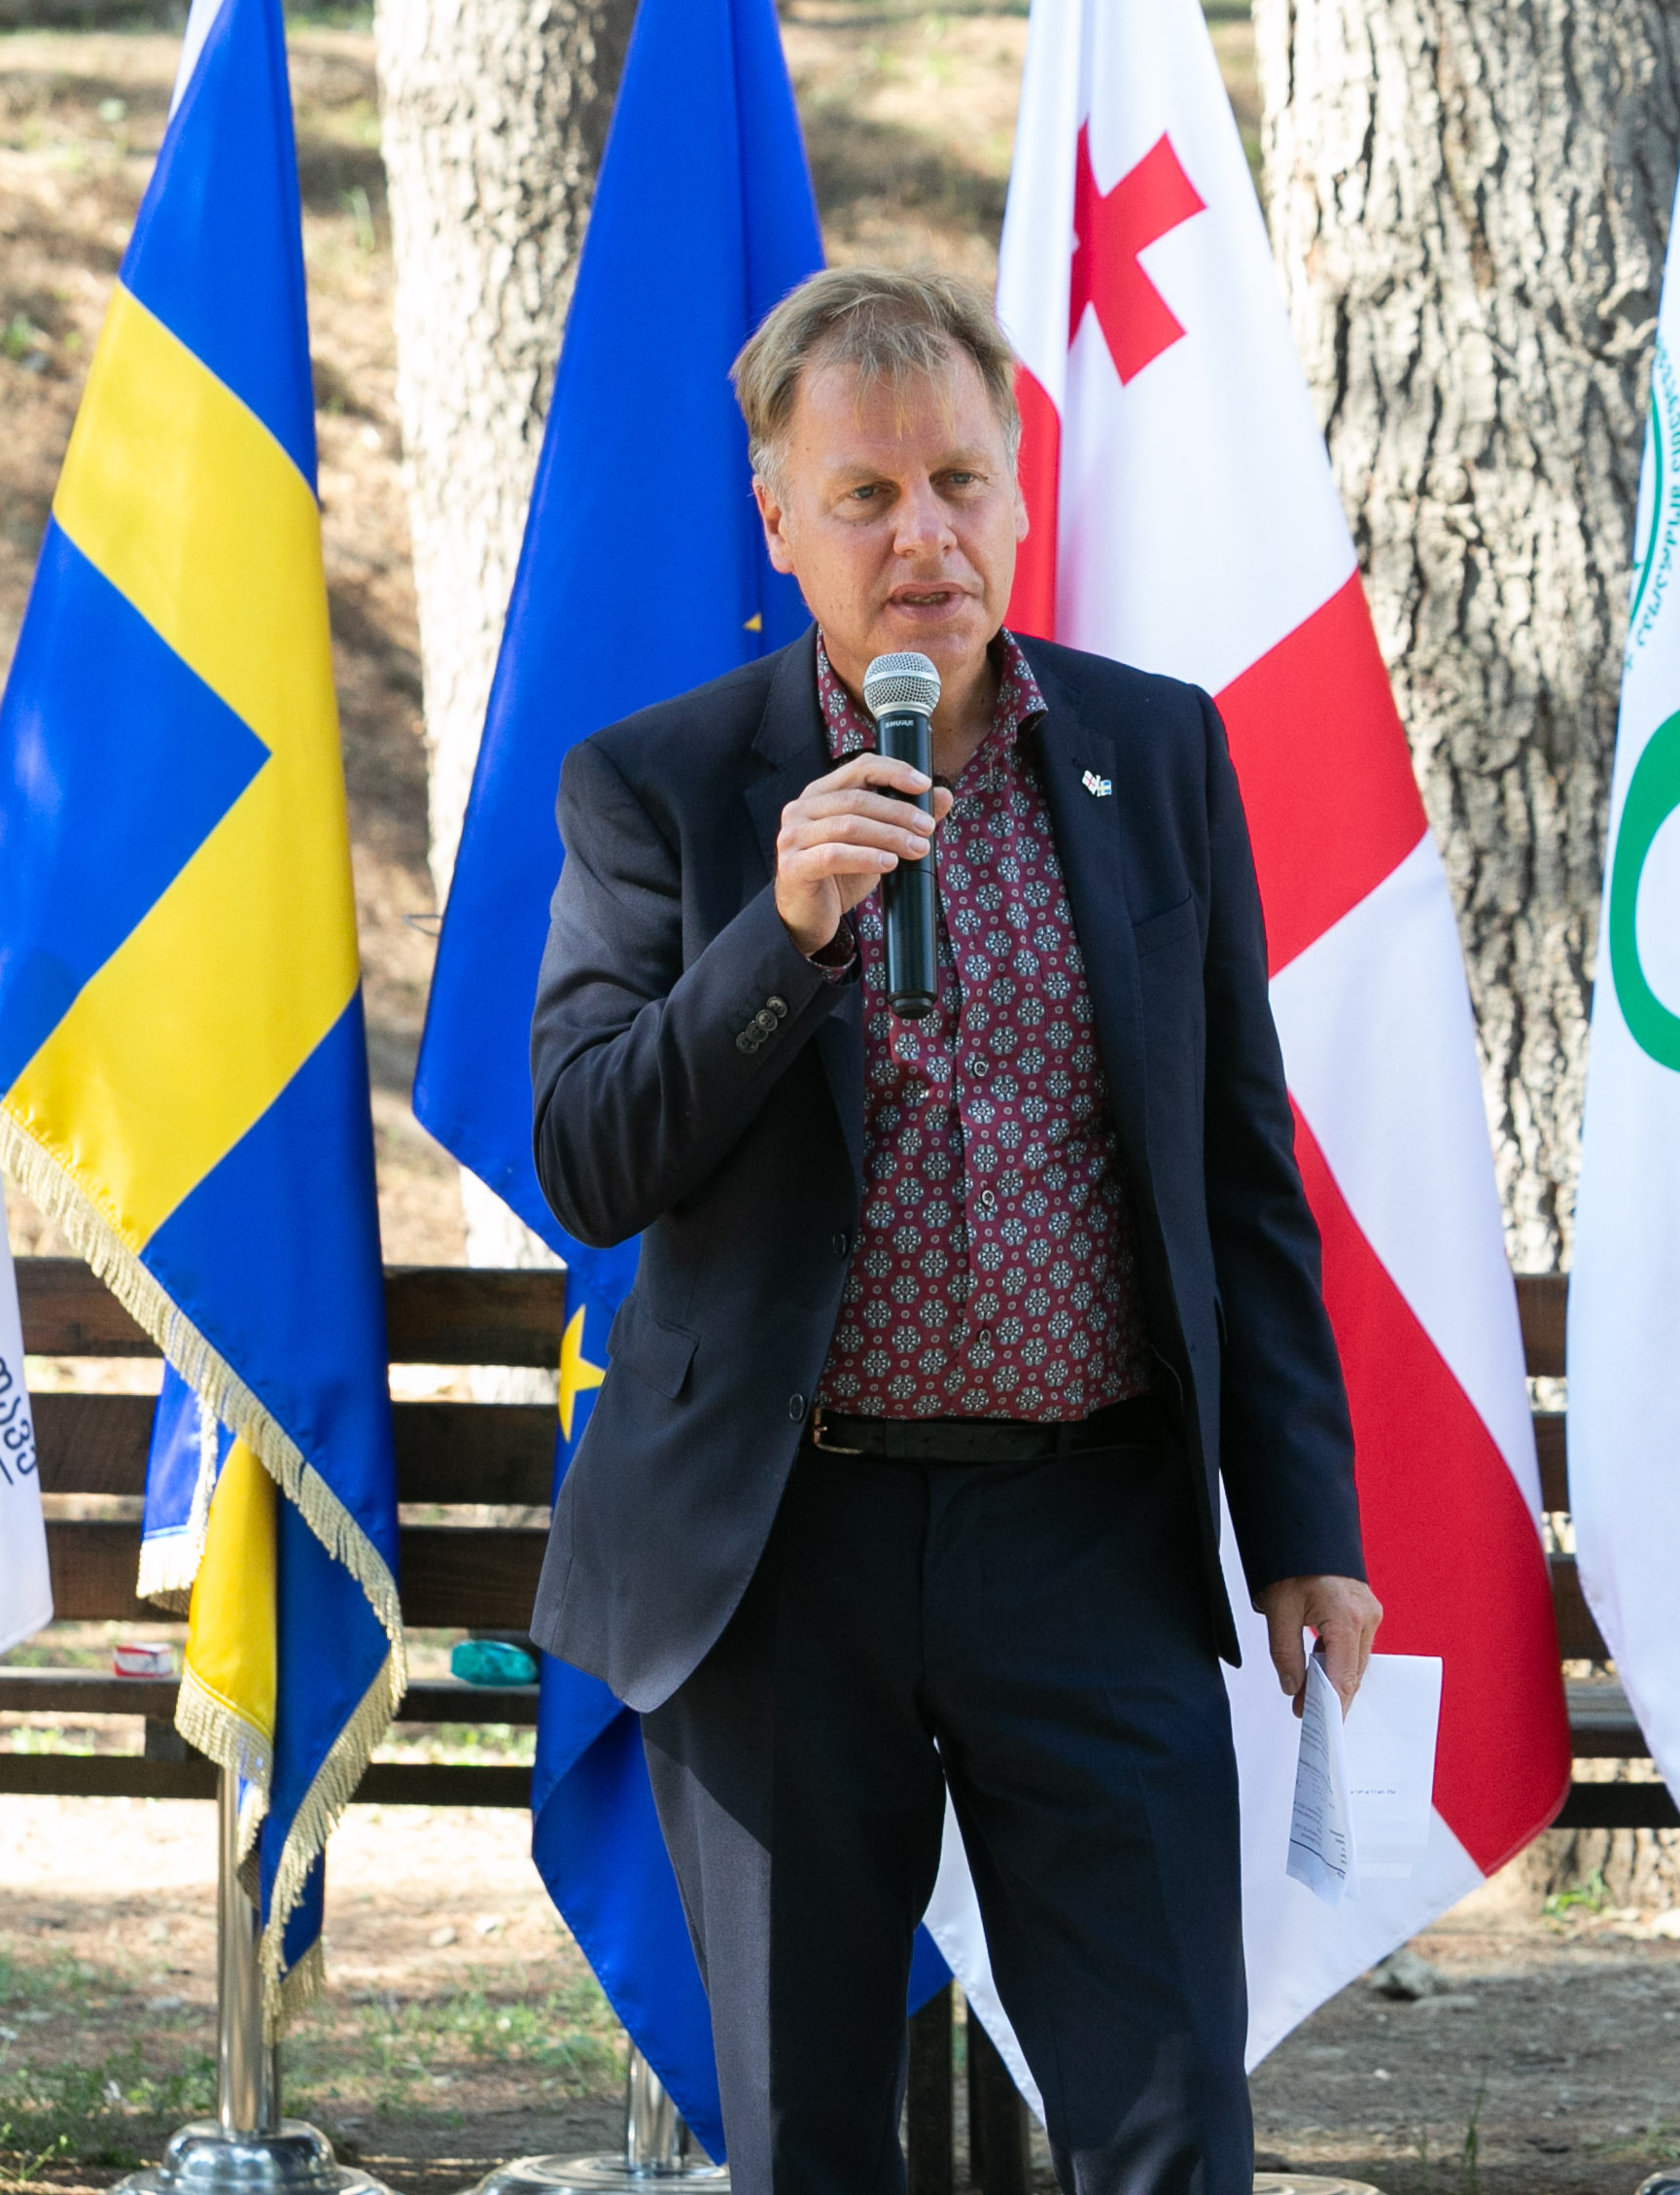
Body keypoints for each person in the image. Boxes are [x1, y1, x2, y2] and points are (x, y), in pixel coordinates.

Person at [526, 264, 1380, 2195]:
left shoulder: (1156, 755)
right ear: (779, 523)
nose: (923, 537)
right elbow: (588, 1154)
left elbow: (1237, 1164)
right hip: (782, 1556)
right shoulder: (661, 789)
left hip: (1089, 1539)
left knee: (1170, 2124)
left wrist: (1304, 1525)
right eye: (865, 496)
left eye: (960, 484)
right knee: (815, 2141)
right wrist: (782, 938)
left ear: (1016, 493)